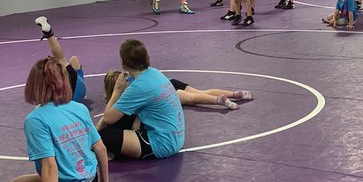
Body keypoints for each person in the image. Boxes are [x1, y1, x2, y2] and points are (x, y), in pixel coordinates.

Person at [96, 39, 185, 160]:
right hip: (175, 136)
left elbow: (108, 118)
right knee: (120, 118)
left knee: (105, 136)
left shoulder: (139, 86)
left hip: (163, 144)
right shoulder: (153, 72)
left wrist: (117, 90)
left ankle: (115, 152)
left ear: (123, 62)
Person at [103, 71, 252, 112]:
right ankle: (235, 94)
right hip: (169, 82)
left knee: (194, 98)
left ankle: (219, 100)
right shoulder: (132, 80)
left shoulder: (124, 94)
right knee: (202, 91)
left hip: (165, 92)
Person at [34, 16, 87, 102]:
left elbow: (74, 59)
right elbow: (74, 59)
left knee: (61, 60)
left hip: (72, 94)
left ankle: (49, 34)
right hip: (79, 90)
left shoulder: (78, 76)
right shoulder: (79, 81)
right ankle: (49, 35)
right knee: (61, 59)